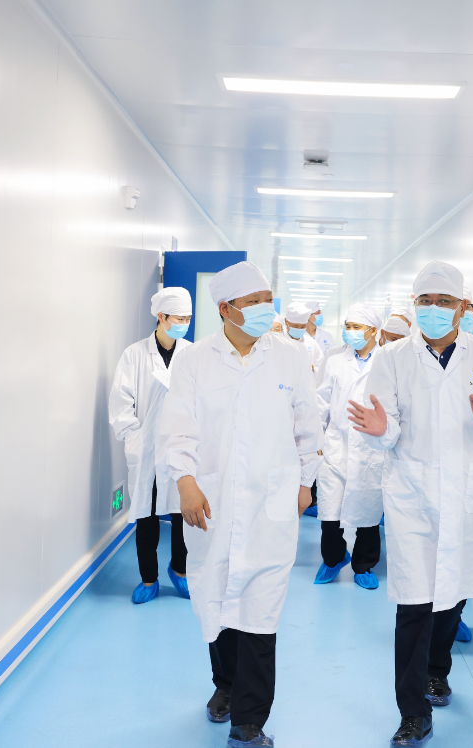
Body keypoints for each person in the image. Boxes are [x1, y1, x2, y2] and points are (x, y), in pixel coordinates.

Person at [347, 260, 473, 748]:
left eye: (444, 302)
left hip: (465, 494)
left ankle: (436, 671)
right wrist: (383, 431)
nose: (434, 309)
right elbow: (385, 427)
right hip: (413, 495)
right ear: (415, 305)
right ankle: (412, 713)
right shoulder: (392, 358)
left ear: (462, 308)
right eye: (425, 301)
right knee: (414, 602)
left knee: (452, 594)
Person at [159, 261, 323, 748]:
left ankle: (249, 720)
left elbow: (308, 426)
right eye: (253, 302)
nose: (264, 309)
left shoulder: (289, 356)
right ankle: (225, 686)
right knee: (216, 592)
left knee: (261, 607)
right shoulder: (195, 360)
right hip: (212, 499)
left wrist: (306, 482)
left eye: (267, 299)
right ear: (226, 309)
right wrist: (186, 481)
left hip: (272, 502)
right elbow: (177, 427)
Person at [108, 287, 193, 604]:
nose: (183, 324)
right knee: (146, 517)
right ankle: (148, 579)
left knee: (183, 515)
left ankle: (180, 571)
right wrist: (135, 439)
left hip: (181, 447)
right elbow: (120, 403)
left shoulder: (192, 354)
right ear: (161, 316)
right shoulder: (134, 355)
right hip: (146, 449)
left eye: (187, 318)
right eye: (178, 318)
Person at [314, 303, 386, 590]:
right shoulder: (335, 360)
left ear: (373, 330)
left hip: (372, 447)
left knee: (368, 511)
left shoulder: (387, 361)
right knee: (329, 512)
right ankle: (333, 558)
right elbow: (321, 400)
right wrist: (316, 439)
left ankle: (364, 565)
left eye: (356, 327)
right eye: (348, 326)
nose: (349, 331)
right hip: (336, 444)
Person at [284, 301, 325, 372]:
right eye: (295, 326)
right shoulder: (278, 341)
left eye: (303, 326)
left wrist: (313, 368)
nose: (299, 329)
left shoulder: (311, 343)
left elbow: (322, 368)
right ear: (286, 321)